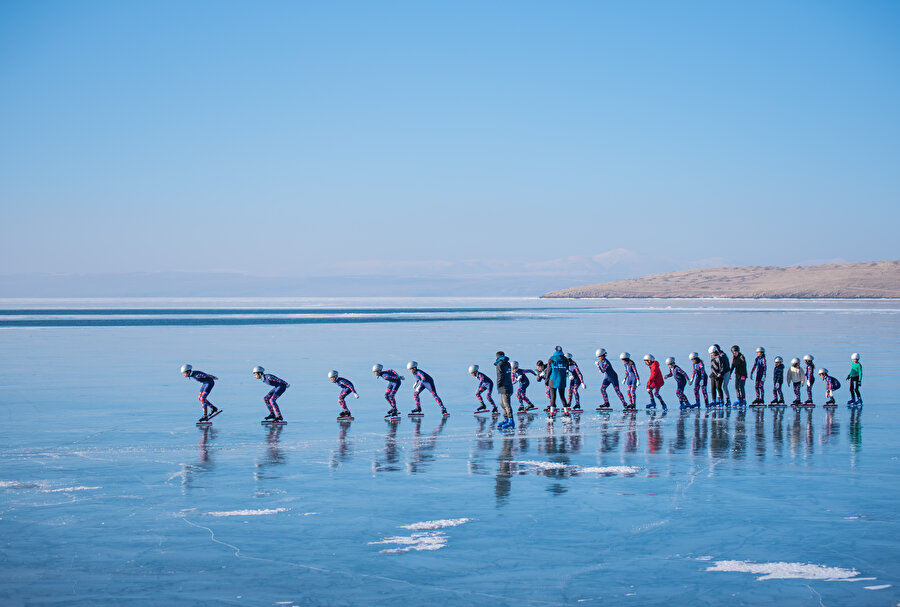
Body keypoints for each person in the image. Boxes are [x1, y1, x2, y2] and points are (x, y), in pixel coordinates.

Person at [494, 351, 515, 428]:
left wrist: (498, 384)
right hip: (508, 385)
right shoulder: (507, 363)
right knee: (502, 404)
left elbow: (500, 375)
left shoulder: (500, 364)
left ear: (497, 357)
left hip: (504, 386)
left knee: (506, 404)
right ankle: (506, 419)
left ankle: (511, 420)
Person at [547, 346, 570, 416]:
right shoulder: (565, 359)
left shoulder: (551, 359)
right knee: (562, 396)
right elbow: (567, 369)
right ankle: (566, 411)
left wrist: (546, 380)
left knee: (553, 396)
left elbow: (548, 370)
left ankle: (551, 412)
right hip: (562, 380)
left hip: (552, 380)